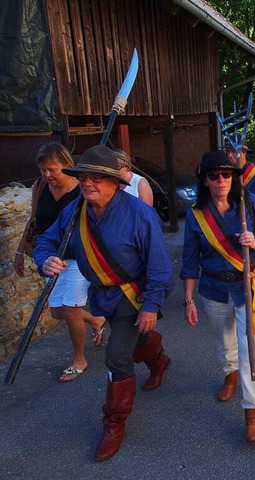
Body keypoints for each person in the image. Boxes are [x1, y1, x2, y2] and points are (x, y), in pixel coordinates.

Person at [34, 145, 174, 461]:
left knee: (116, 357)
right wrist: (45, 259)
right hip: (103, 296)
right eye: (83, 177)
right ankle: (158, 359)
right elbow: (46, 240)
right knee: (135, 341)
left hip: (133, 296)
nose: (87, 184)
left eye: (96, 178)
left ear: (114, 182)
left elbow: (159, 263)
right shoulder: (74, 213)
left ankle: (113, 423)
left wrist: (151, 304)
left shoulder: (139, 214)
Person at [181, 150, 255, 443]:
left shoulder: (249, 203)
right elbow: (189, 258)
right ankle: (229, 372)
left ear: (234, 177)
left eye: (226, 174)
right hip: (213, 288)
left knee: (251, 349)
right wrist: (188, 299)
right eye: (213, 175)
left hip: (247, 286)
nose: (221, 180)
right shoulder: (196, 214)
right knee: (224, 341)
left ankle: (251, 411)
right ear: (205, 180)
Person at [13, 142, 106, 383]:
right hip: (49, 257)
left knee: (72, 310)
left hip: (77, 257)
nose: (47, 174)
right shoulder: (40, 186)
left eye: (52, 169)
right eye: (43, 169)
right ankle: (96, 319)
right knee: (57, 311)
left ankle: (79, 359)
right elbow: (34, 220)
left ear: (67, 165)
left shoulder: (82, 190)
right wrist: (20, 251)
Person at [224, 142, 255, 213]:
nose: (229, 155)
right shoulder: (225, 174)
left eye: (234, 151)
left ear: (244, 152)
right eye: (227, 151)